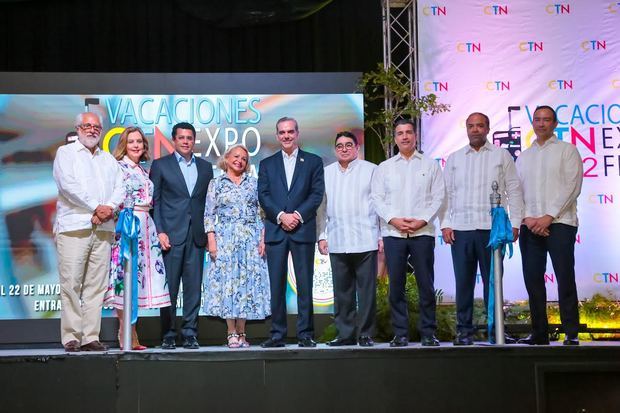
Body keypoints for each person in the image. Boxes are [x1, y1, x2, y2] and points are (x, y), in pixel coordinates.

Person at [439, 112, 523, 345]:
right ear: (466, 129)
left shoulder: (501, 155)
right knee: (463, 283)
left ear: (487, 129)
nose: (475, 129)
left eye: (480, 126)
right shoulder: (455, 159)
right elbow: (445, 194)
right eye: (471, 126)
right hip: (461, 229)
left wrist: (515, 223)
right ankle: (463, 332)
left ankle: (496, 330)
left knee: (493, 283)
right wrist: (445, 224)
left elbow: (514, 190)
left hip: (491, 231)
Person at [53, 112, 125, 352]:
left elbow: (120, 188)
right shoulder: (66, 153)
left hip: (103, 229)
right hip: (74, 227)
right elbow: (68, 185)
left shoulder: (108, 159)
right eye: (87, 125)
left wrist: (109, 208)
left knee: (96, 286)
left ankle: (90, 337)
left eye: (97, 127)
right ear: (78, 128)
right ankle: (71, 336)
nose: (92, 130)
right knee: (71, 283)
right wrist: (96, 207)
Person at [370, 119, 445, 347]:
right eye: (400, 133)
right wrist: (394, 220)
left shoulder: (431, 165)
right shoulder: (384, 167)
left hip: (422, 233)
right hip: (394, 233)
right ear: (395, 138)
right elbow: (377, 199)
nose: (404, 137)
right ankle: (400, 334)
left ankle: (428, 333)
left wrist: (421, 221)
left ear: (415, 136)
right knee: (396, 287)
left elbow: (439, 197)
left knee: (425, 284)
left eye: (408, 133)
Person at [515, 105, 583, 346]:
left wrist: (548, 217)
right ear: (532, 123)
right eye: (537, 120)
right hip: (530, 226)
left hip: (561, 223)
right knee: (533, 280)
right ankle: (539, 333)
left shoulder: (567, 151)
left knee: (565, 277)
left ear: (555, 124)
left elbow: (572, 186)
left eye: (546, 120)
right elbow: (516, 191)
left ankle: (571, 331)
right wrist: (526, 218)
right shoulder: (524, 156)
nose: (541, 124)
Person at [257, 116, 325, 348]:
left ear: (297, 134)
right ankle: (277, 334)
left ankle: (305, 334)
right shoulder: (266, 164)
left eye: (290, 132)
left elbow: (316, 194)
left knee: (305, 284)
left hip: (302, 229)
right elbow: (263, 195)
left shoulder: (314, 161)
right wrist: (280, 216)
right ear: (277, 136)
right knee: (276, 285)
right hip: (276, 230)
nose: (286, 136)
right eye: (282, 132)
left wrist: (296, 216)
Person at [105, 126, 171, 350]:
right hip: (128, 226)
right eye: (131, 141)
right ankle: (126, 335)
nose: (136, 145)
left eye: (139, 142)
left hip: (146, 227)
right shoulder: (117, 167)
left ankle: (131, 333)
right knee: (125, 280)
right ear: (124, 144)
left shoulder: (144, 170)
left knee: (138, 281)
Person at [150, 122, 213, 349]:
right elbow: (154, 202)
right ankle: (168, 334)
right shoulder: (160, 165)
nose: (186, 141)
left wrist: (208, 234)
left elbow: (208, 205)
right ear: (174, 140)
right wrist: (159, 231)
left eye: (189, 138)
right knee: (170, 288)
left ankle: (189, 334)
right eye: (181, 137)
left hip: (197, 236)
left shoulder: (206, 168)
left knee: (194, 288)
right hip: (170, 236)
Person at [203, 144, 271, 348]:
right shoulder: (216, 183)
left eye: (243, 158)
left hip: (250, 239)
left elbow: (263, 214)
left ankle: (242, 331)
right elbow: (209, 214)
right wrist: (211, 239)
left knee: (247, 284)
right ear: (226, 158)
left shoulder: (254, 184)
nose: (239, 160)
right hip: (225, 238)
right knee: (228, 283)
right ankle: (230, 331)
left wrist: (262, 238)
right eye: (235, 156)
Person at [317, 131, 380, 347]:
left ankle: (365, 334)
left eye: (348, 145)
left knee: (366, 292)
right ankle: (345, 334)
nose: (344, 149)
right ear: (335, 150)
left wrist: (380, 236)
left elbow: (379, 204)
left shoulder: (371, 170)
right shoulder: (326, 173)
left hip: (366, 238)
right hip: (337, 239)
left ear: (357, 148)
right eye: (340, 146)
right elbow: (322, 208)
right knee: (342, 292)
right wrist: (322, 236)